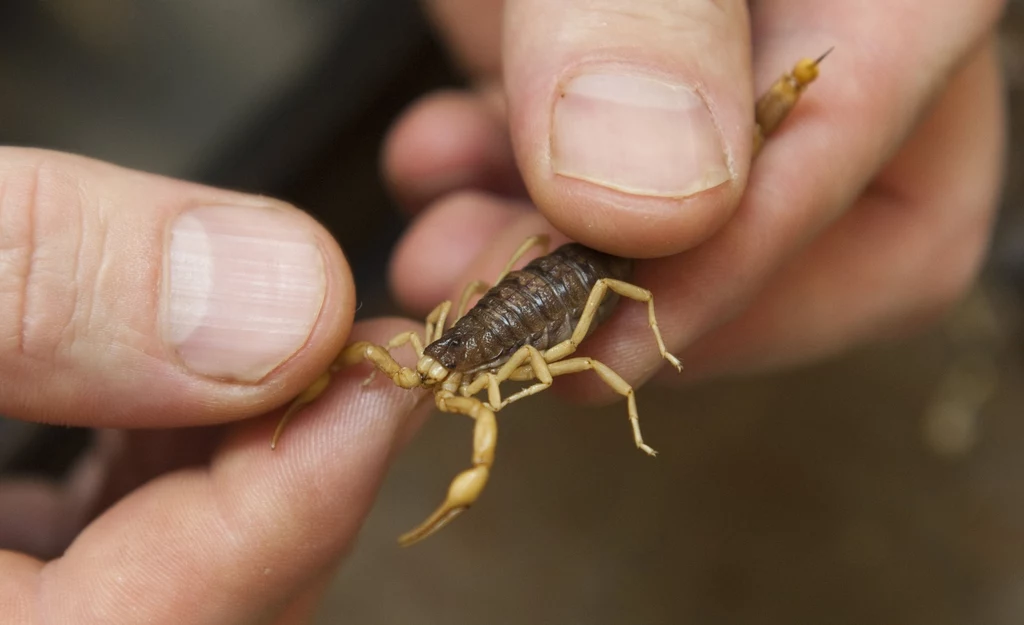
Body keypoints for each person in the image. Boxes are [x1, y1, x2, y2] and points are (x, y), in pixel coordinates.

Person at [0, 0, 1007, 621]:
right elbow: (420, 347)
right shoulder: (439, 359)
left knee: (590, 303)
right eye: (422, 374)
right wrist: (387, 367)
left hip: (579, 276)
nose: (421, 384)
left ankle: (776, 96)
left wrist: (639, 340)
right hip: (524, 292)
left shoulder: (483, 373)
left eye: (425, 375)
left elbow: (584, 334)